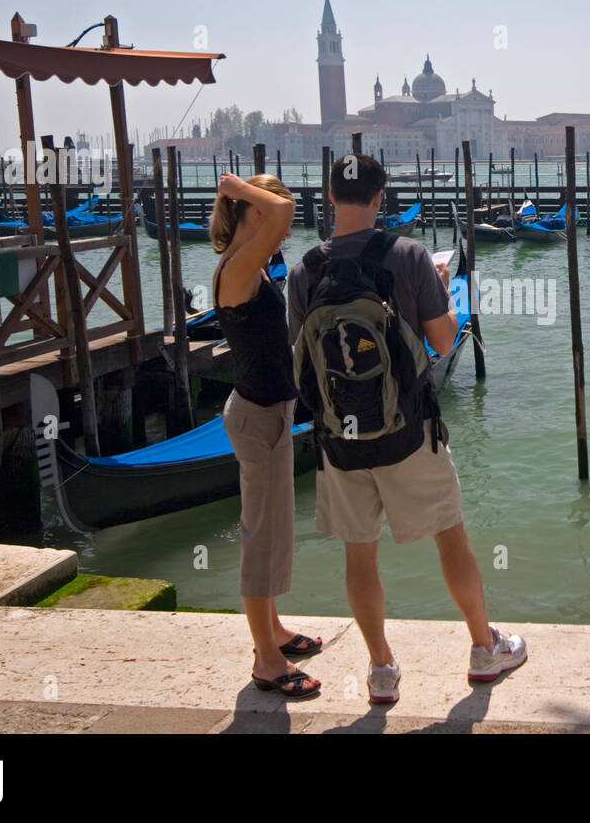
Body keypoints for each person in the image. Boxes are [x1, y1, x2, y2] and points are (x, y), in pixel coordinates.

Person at [288, 153, 525, 705]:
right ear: (379, 198)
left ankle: (381, 670)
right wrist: (436, 289)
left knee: (359, 555)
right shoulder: (409, 255)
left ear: (328, 198)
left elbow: (299, 359)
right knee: (451, 536)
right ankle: (484, 649)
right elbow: (444, 342)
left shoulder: (304, 272)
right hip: (409, 433)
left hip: (340, 441)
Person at [211, 172, 322, 700]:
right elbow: (281, 216)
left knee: (274, 530)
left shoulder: (243, 267)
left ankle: (273, 630)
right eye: (274, 215)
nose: (284, 230)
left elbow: (278, 217)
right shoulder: (237, 269)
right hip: (258, 418)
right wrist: (237, 186)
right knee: (260, 537)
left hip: (267, 413)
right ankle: (266, 660)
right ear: (253, 213)